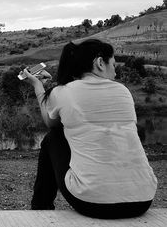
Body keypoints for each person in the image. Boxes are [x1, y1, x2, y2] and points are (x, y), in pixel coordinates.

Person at [21, 39, 157, 219]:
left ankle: (41, 210)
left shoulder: (63, 92)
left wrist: (38, 86)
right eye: (113, 65)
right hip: (143, 199)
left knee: (53, 138)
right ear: (100, 63)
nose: (115, 72)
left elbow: (50, 122)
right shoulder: (124, 91)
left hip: (94, 203)